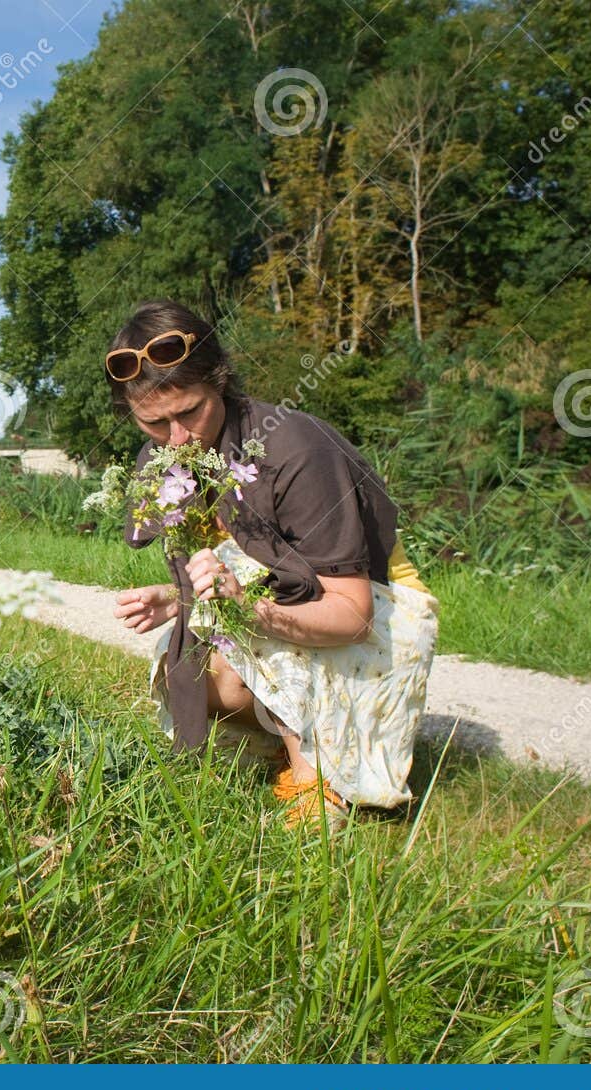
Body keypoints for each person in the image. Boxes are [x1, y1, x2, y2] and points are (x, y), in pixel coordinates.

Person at [105, 300, 439, 831]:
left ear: (220, 380)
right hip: (278, 601)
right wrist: (175, 597)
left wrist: (247, 608)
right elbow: (234, 561)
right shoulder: (163, 461)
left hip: (376, 613)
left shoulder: (292, 448)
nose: (178, 439)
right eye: (154, 423)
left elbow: (352, 614)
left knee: (243, 633)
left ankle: (319, 781)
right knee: (185, 669)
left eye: (191, 412)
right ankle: (292, 741)